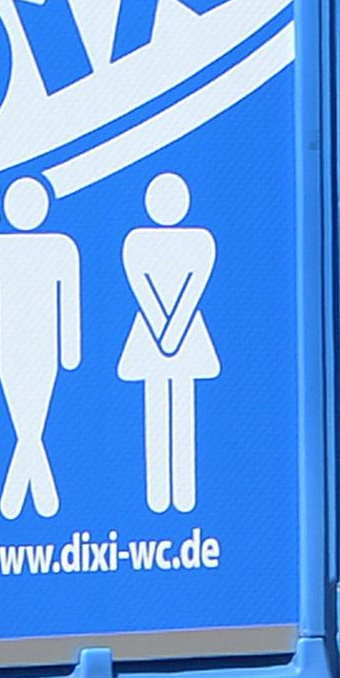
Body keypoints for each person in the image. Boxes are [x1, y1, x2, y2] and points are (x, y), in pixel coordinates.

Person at [0, 177, 81, 520]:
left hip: (44, 345)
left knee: (31, 422)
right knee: (28, 422)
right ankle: (41, 497)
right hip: (10, 348)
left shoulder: (62, 247)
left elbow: (69, 303)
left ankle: (20, 499)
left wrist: (70, 351)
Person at [119, 172, 221, 515]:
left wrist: (169, 334)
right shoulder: (135, 241)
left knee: (182, 408)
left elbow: (194, 289)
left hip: (177, 335)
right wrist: (167, 334)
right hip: (159, 336)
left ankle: (184, 494)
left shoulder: (201, 240)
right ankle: (159, 497)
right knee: (156, 408)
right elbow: (141, 288)